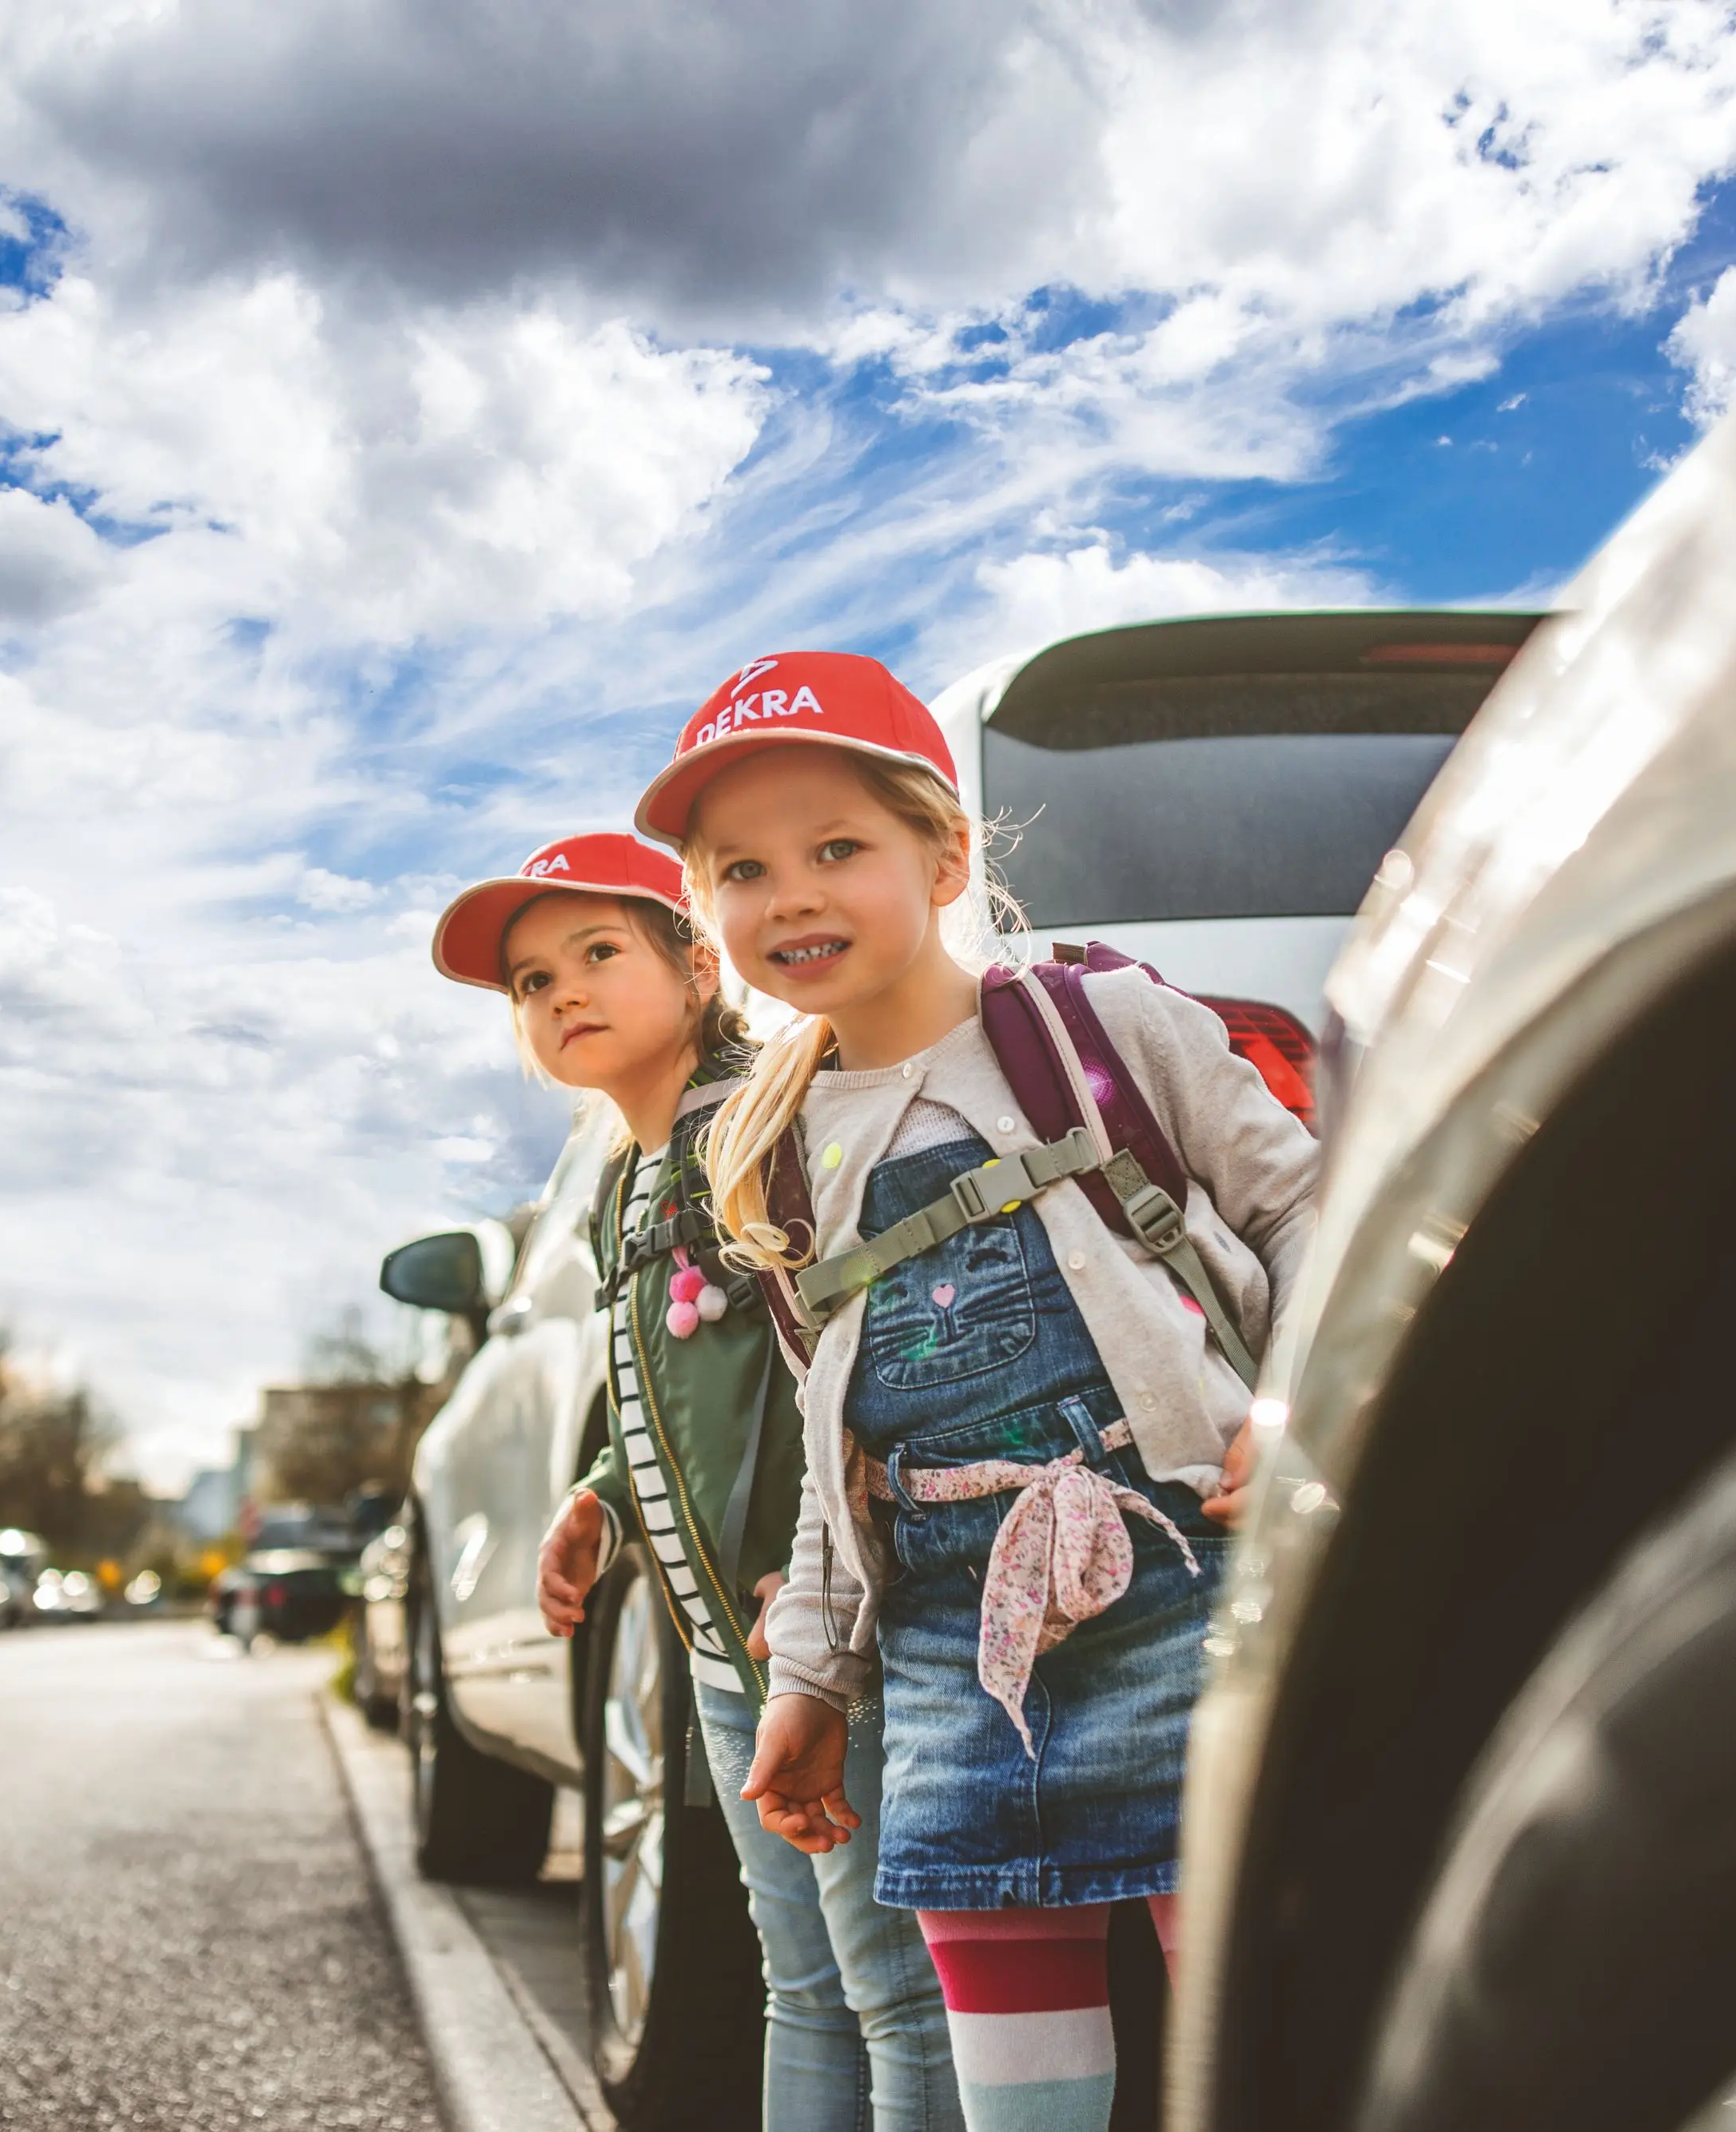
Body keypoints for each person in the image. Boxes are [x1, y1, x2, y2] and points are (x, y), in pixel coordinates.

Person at [633, 652, 1320, 2132]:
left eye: (837, 848)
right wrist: (810, 1679)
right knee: (1016, 2090)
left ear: (944, 856)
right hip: (955, 1653)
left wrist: (1303, 1409)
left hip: (1186, 1586)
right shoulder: (775, 1147)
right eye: (743, 870)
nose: (792, 896)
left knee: (1253, 2044)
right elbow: (835, 1464)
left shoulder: (1101, 1027)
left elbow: (1310, 1211)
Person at [430, 829, 962, 2132]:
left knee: (893, 1988)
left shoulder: (761, 1123)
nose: (563, 992)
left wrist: (818, 1601)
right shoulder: (626, 1176)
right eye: (532, 982)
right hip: (724, 1653)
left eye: (598, 952)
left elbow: (831, 1368)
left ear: (697, 966)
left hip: (819, 1635)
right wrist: (603, 1498)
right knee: (803, 1984)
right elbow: (672, 1393)